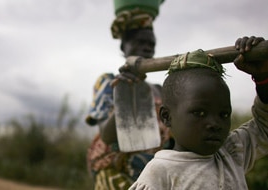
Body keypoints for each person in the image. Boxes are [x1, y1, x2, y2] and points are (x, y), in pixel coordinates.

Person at [129, 36, 268, 189]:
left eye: (224, 114)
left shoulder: (232, 153)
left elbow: (264, 126)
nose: (215, 124)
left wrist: (263, 79)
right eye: (200, 113)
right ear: (166, 117)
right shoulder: (159, 173)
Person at [85, 7, 171, 189]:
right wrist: (127, 95)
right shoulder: (109, 83)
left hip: (154, 175)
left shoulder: (160, 91)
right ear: (124, 47)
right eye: (140, 42)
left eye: (151, 44)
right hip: (115, 172)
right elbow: (107, 136)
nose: (147, 48)